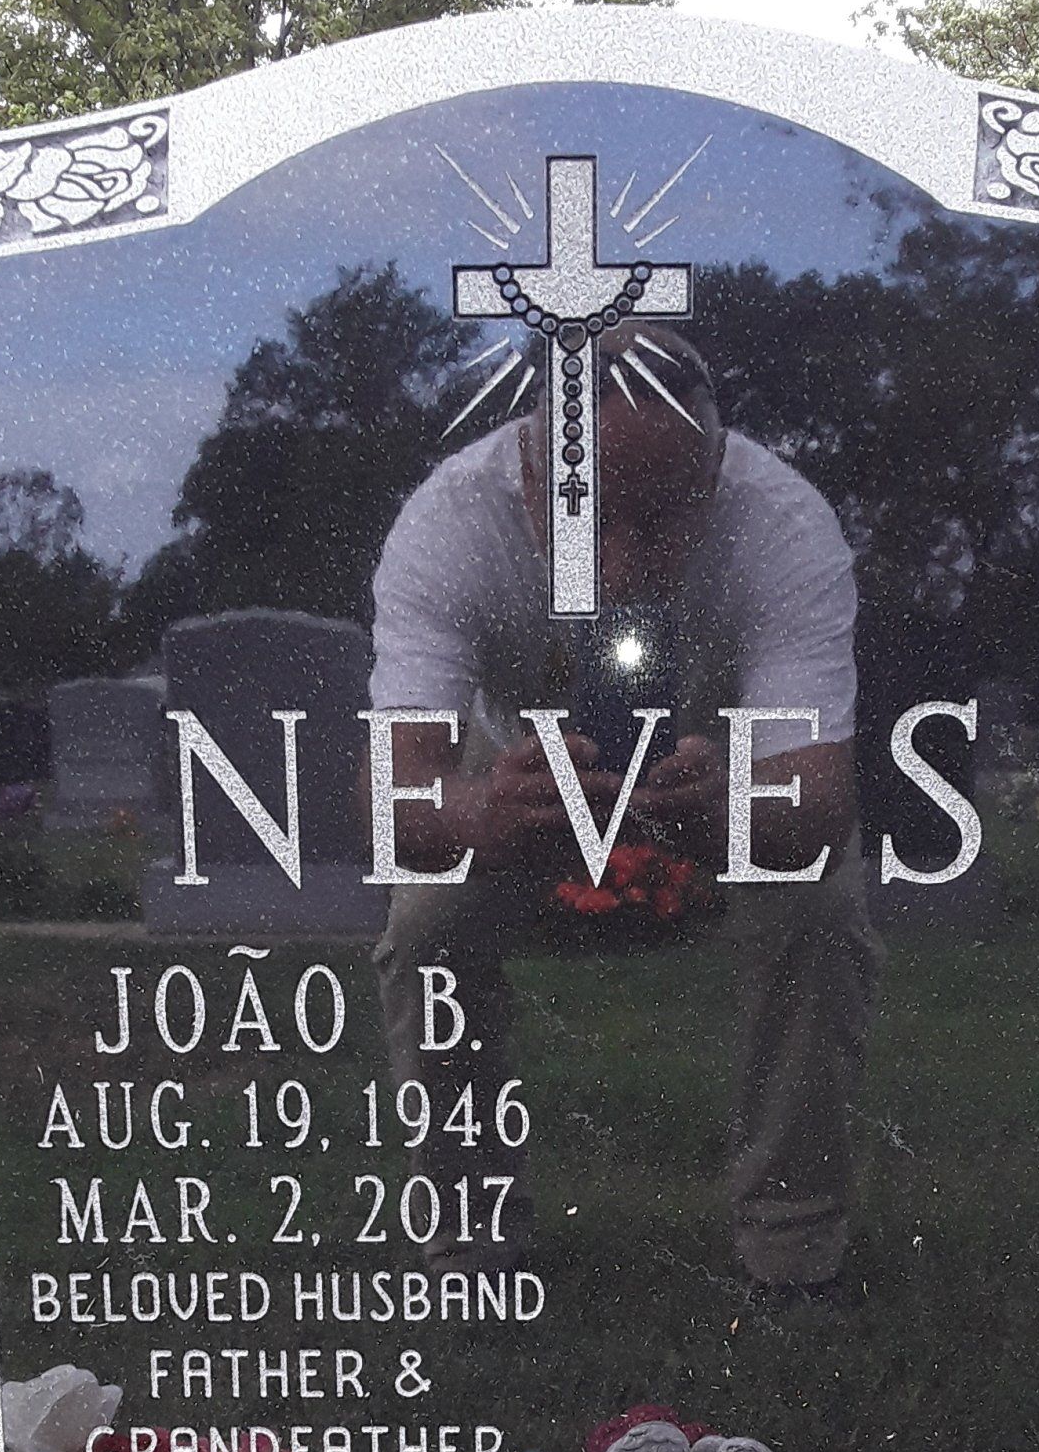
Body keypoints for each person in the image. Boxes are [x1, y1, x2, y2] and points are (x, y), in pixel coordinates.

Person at [368, 320, 876, 1293]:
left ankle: (792, 1249)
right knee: (428, 916)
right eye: (588, 517)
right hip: (520, 765)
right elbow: (396, 795)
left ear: (717, 475)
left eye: (662, 520)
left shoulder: (786, 526)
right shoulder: (448, 525)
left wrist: (736, 810)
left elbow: (819, 799)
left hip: (719, 753)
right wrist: (481, 815)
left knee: (817, 900)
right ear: (527, 474)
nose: (624, 565)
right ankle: (469, 1247)